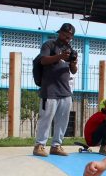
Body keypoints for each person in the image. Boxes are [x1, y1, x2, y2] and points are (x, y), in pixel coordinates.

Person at [33, 23, 78, 157]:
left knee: (63, 120)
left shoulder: (69, 49)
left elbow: (73, 71)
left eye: (70, 37)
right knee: (46, 118)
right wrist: (60, 56)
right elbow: (43, 61)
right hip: (50, 90)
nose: (67, 39)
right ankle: (39, 145)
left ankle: (56, 145)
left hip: (65, 91)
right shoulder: (49, 45)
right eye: (65, 36)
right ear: (60, 33)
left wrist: (73, 63)